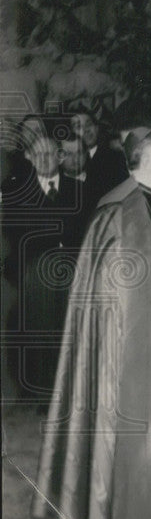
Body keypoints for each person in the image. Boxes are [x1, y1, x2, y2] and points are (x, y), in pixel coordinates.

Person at [30, 126, 151, 519]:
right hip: (131, 340)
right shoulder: (118, 208)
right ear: (148, 158)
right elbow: (115, 282)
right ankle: (131, 503)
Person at [2, 135, 85, 411]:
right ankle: (42, 392)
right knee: (39, 333)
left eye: (50, 154)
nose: (45, 160)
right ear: (28, 158)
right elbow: (14, 237)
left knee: (68, 332)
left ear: (60, 156)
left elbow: (86, 234)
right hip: (32, 276)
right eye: (38, 155)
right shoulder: (16, 194)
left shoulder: (78, 190)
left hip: (72, 275)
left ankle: (70, 392)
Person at [71, 108, 128, 214]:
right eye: (78, 126)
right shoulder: (66, 165)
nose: (86, 129)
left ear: (97, 128)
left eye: (89, 124)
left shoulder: (115, 157)